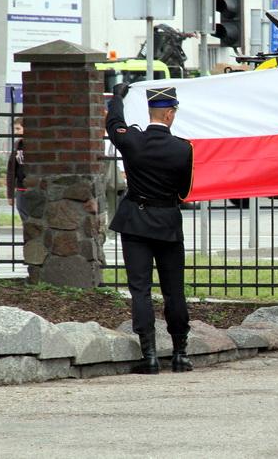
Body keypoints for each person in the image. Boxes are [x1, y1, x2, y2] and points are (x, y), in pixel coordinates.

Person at [106, 84, 194, 375]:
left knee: (140, 290)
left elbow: (113, 123)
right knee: (174, 290)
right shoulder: (183, 148)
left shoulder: (132, 140)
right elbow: (184, 191)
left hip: (136, 221)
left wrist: (117, 98)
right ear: (169, 114)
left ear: (150, 113)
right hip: (167, 222)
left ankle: (151, 355)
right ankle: (180, 354)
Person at [6, 117, 29, 221]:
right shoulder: (17, 145)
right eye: (15, 129)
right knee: (23, 213)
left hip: (34, 187)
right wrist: (10, 194)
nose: (16, 132)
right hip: (21, 187)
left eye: (18, 128)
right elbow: (11, 170)